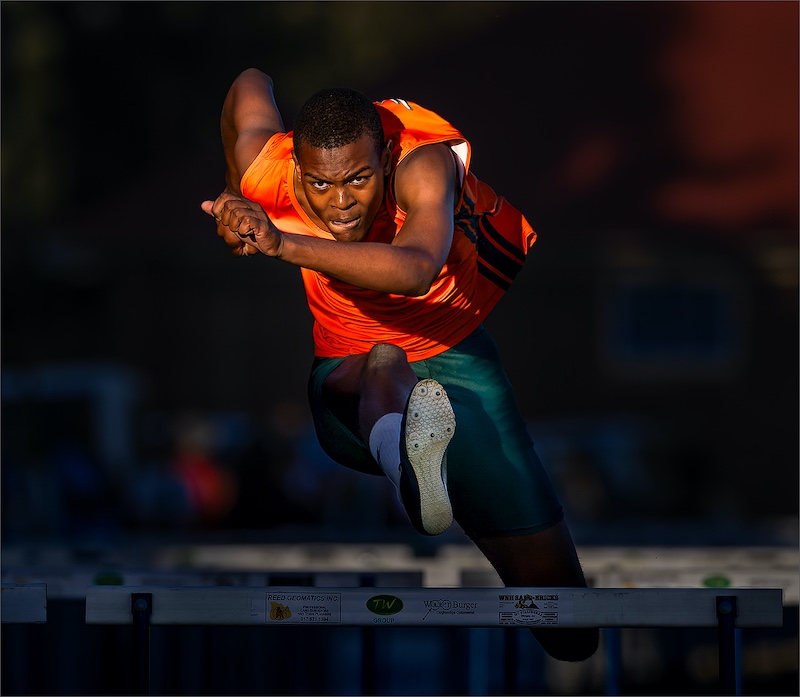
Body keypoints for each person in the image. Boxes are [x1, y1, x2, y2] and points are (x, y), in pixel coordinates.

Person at [201, 68, 598, 662]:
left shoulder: (424, 163)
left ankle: (422, 474)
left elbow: (415, 267)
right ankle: (404, 458)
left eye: (359, 180)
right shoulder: (271, 167)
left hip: (459, 358)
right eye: (320, 186)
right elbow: (247, 83)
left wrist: (281, 242)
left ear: (386, 159)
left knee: (568, 628)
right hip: (348, 373)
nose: (339, 204)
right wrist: (238, 198)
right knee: (384, 363)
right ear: (297, 172)